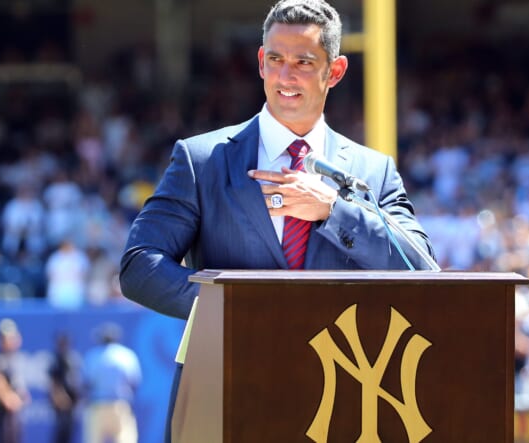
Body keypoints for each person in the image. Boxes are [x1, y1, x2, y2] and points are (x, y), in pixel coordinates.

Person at [118, 1, 436, 441]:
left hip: (344, 398)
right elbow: (138, 264)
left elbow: (421, 267)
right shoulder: (202, 159)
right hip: (228, 387)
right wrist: (236, 309)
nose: (286, 76)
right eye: (275, 59)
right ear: (260, 63)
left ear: (335, 71)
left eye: (303, 62)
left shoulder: (373, 171)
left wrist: (332, 210)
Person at [82, 322, 141, 443]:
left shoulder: (93, 355)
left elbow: (86, 383)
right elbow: (135, 382)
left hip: (98, 406)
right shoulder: (126, 355)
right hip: (120, 406)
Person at [0, 318, 30, 443]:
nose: (9, 341)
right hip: (4, 412)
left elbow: (20, 387)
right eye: (5, 338)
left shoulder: (17, 359)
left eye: (12, 337)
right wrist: (9, 399)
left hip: (16, 412)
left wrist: (22, 396)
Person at [48, 333, 82, 443]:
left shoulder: (72, 358)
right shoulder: (56, 360)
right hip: (62, 403)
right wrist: (60, 398)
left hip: (72, 403)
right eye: (61, 344)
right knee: (61, 433)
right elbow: (54, 382)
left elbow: (75, 381)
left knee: (70, 433)